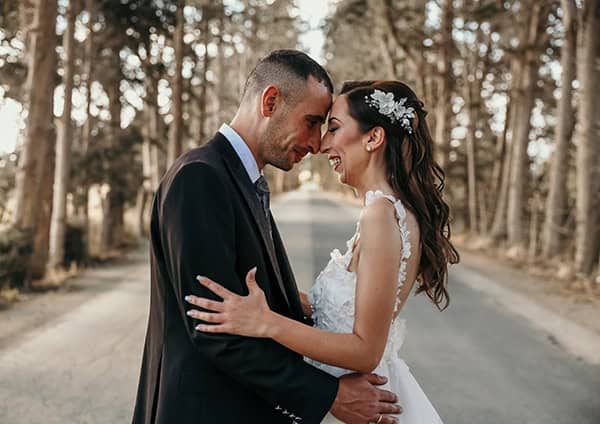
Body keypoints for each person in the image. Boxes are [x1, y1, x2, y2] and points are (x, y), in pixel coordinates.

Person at [132, 52, 402, 424]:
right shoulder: (200, 178)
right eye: (311, 122)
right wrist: (328, 394)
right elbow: (213, 328)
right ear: (270, 101)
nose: (316, 143)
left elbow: (258, 302)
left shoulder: (243, 179)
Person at [185, 80, 460, 423]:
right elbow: (348, 311)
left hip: (370, 404)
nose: (322, 144)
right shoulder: (387, 211)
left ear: (373, 138)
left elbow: (366, 351)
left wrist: (266, 323)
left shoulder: (380, 215)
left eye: (333, 128)